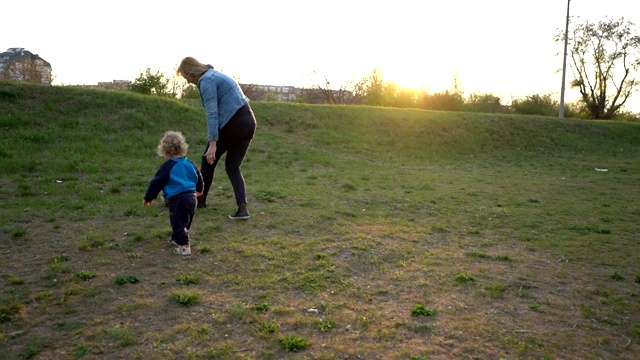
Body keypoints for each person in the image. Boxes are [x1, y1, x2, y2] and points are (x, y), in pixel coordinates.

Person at [177, 56, 257, 220]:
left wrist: (213, 143)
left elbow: (212, 113)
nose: (187, 81)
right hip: (248, 121)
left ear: (192, 73)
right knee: (233, 167)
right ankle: (242, 209)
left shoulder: (206, 81)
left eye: (186, 77)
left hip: (234, 123)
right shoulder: (215, 75)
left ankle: (200, 200)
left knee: (208, 160)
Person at [144, 131, 204, 256]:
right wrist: (199, 189)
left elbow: (156, 183)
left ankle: (185, 246)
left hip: (178, 199)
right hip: (192, 198)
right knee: (185, 222)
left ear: (165, 151)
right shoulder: (189, 163)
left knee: (178, 222)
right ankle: (177, 239)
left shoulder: (168, 166)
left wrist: (149, 198)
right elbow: (199, 176)